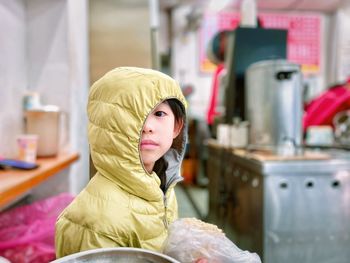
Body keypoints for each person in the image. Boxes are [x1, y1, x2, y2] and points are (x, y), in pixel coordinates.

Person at [55, 67, 187, 258]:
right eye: (129, 119)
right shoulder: (97, 222)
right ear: (107, 127)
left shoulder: (162, 186)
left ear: (177, 126)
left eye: (159, 114)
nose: (147, 127)